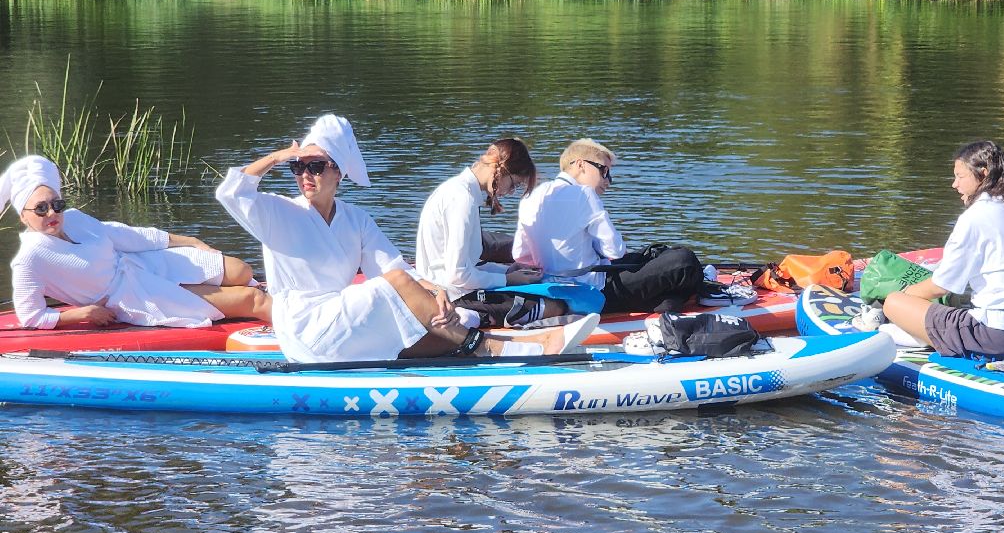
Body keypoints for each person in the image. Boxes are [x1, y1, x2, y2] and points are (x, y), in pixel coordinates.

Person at [215, 113, 596, 363]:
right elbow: (230, 193)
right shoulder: (279, 212)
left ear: (339, 172)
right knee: (400, 290)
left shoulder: (355, 219)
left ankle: (522, 347)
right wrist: (279, 156)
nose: (305, 175)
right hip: (303, 328)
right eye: (298, 167)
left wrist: (436, 291)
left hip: (339, 323)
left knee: (444, 332)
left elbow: (393, 266)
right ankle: (490, 348)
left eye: (316, 166)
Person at [1, 154, 267, 329]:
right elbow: (30, 316)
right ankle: (288, 333)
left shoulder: (75, 219)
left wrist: (189, 240)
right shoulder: (29, 260)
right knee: (251, 298)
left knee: (242, 271)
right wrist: (82, 313)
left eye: (57, 204)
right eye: (41, 208)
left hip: (144, 262)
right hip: (134, 296)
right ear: (23, 216)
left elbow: (126, 235)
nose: (52, 213)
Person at [882, 140, 1004, 361]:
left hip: (997, 339)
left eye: (960, 176)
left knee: (893, 302)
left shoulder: (976, 216)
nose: (954, 184)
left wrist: (907, 295)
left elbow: (941, 286)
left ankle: (911, 335)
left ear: (983, 174)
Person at [513, 138, 704, 314]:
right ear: (580, 164)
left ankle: (667, 300)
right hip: (594, 291)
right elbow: (615, 250)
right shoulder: (584, 194)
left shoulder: (530, 197)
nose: (608, 181)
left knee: (650, 254)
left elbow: (521, 254)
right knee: (684, 261)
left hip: (551, 288)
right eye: (604, 171)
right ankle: (686, 292)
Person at [415, 138, 569, 328]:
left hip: (444, 286)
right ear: (501, 170)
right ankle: (470, 319)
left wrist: (507, 271)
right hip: (451, 295)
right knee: (555, 306)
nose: (511, 192)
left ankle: (478, 316)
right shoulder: (462, 200)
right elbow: (458, 275)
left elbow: (468, 264)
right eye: (514, 184)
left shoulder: (457, 190)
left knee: (530, 288)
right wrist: (507, 279)